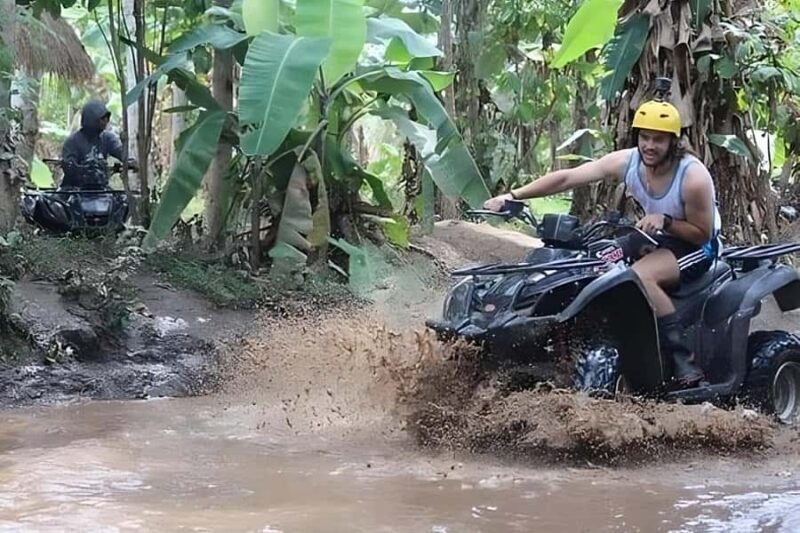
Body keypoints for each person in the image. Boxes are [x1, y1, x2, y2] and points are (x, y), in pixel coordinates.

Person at [483, 93, 721, 388]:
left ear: (674, 140)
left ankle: (683, 359)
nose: (649, 145)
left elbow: (703, 233)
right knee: (595, 260)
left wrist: (666, 221)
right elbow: (568, 178)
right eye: (644, 137)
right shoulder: (629, 162)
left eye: (658, 139)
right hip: (653, 235)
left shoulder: (693, 177)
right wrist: (513, 195)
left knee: (639, 278)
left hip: (696, 246)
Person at [61, 100, 137, 189]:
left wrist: (130, 161)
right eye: (102, 118)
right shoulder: (72, 141)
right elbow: (69, 164)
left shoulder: (107, 138)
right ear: (91, 118)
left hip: (101, 189)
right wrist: (80, 168)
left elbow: (120, 151)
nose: (106, 121)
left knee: (124, 201)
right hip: (76, 189)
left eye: (106, 118)